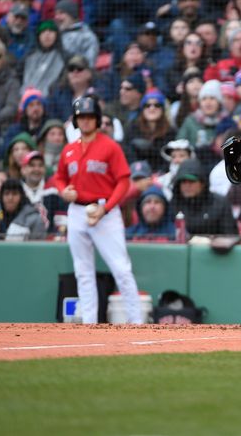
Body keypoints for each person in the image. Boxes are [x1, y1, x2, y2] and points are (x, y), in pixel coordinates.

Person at [54, 96, 143, 324]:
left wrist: (106, 208)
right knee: (82, 272)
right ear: (75, 120)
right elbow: (58, 178)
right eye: (81, 117)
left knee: (121, 269)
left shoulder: (110, 146)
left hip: (104, 211)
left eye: (89, 116)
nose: (85, 121)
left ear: (97, 120)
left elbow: (124, 181)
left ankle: (137, 323)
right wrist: (64, 191)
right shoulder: (69, 149)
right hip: (77, 211)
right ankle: (89, 324)